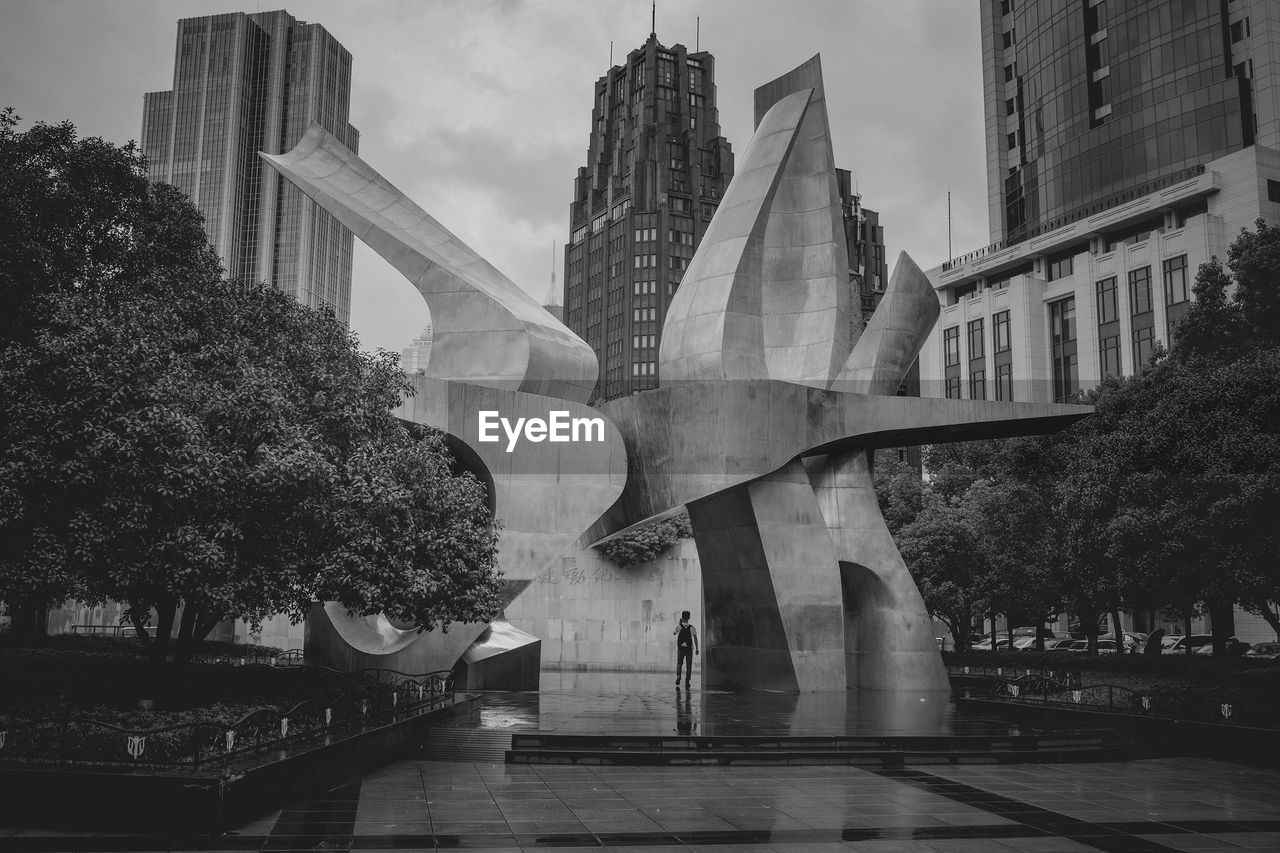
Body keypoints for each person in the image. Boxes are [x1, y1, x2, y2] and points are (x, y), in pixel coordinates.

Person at [674, 610, 698, 688]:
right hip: (689, 649)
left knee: (679, 663)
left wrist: (679, 624)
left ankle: (678, 676)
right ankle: (687, 681)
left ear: (682, 617)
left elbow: (674, 633)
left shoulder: (678, 627)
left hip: (681, 648)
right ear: (689, 618)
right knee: (689, 665)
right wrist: (697, 648)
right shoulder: (692, 627)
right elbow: (695, 638)